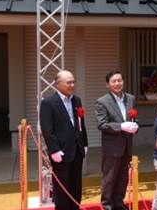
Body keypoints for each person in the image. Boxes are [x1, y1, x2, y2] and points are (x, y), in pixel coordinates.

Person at [40, 70, 88, 210]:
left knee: (76, 185)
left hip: (77, 150)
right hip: (60, 152)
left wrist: (84, 142)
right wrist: (54, 150)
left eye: (73, 82)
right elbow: (47, 130)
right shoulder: (48, 103)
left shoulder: (76, 100)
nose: (72, 85)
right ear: (58, 84)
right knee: (62, 187)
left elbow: (80, 123)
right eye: (69, 82)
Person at [95, 71, 138, 210]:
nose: (117, 84)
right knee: (109, 177)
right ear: (107, 84)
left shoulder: (130, 98)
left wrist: (135, 125)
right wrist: (121, 126)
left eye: (119, 80)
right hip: (112, 147)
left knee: (123, 177)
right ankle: (107, 204)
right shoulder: (102, 101)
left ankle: (119, 202)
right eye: (113, 81)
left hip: (127, 145)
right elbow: (102, 124)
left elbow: (133, 117)